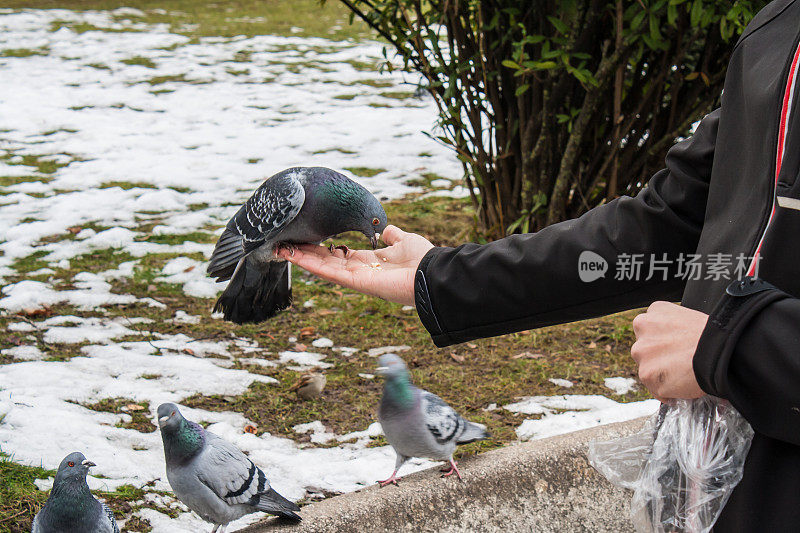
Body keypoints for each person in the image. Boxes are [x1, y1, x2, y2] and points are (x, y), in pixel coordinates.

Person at [280, 0, 800, 530]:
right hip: (715, 487)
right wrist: (440, 276)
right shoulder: (776, 29)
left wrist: (736, 346)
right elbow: (664, 228)